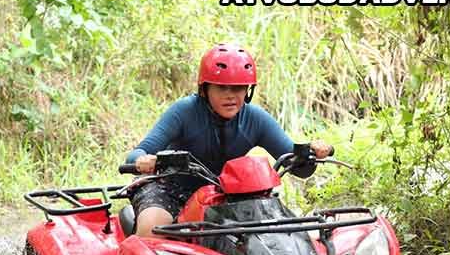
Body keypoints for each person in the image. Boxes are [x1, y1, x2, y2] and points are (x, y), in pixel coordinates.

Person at [125, 43, 332, 237]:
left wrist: (310, 153)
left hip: (223, 194)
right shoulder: (184, 111)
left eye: (238, 88)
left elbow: (296, 165)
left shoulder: (255, 118)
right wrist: (142, 160)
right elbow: (138, 153)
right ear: (205, 89)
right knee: (153, 227)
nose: (231, 96)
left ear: (248, 91)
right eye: (222, 88)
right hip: (168, 189)